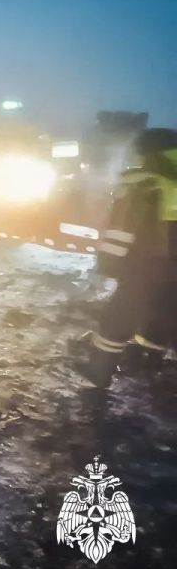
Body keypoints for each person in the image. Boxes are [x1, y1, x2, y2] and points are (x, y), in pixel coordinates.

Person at [78, 127, 177, 387]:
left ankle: (99, 372)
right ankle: (150, 359)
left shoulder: (142, 181)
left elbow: (121, 229)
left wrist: (105, 264)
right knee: (165, 312)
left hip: (146, 264)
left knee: (118, 317)